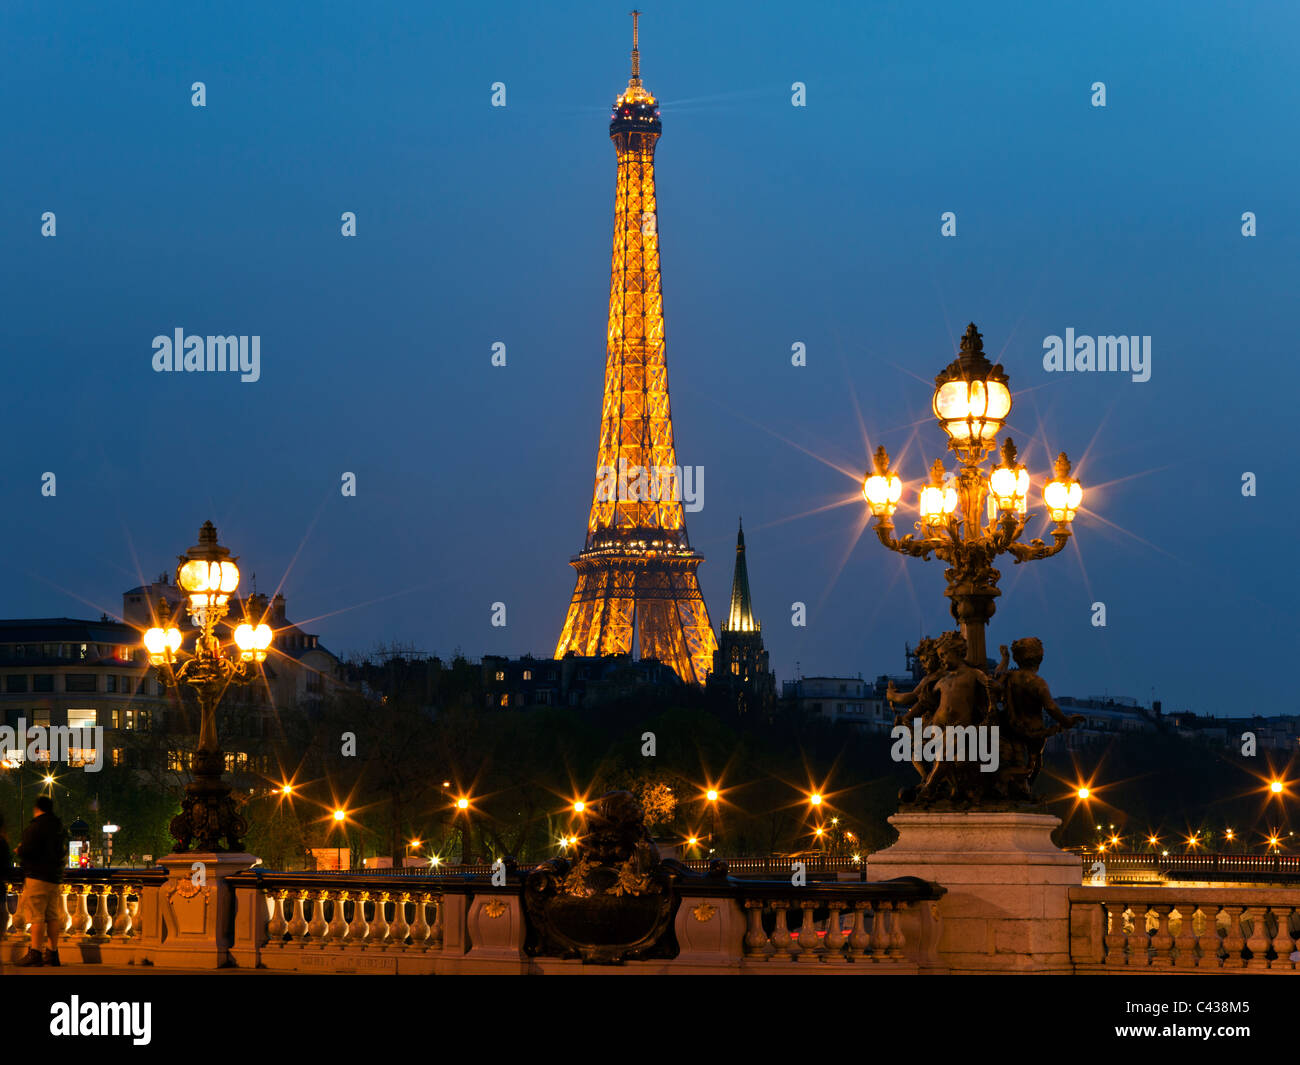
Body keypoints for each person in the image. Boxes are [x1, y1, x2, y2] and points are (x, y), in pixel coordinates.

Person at [15, 796, 66, 967]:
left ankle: (35, 952)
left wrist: (19, 849)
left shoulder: (35, 827)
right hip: (55, 877)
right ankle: (53, 952)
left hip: (37, 876)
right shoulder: (59, 827)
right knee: (52, 916)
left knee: (36, 916)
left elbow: (29, 850)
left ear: (37, 808)